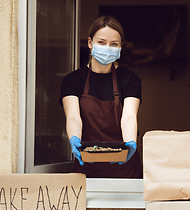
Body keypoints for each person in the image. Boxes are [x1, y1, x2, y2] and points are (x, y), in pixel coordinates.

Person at [60, 15, 142, 178]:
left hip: (124, 166)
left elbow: (129, 117)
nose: (107, 48)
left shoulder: (130, 79)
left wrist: (130, 144)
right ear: (90, 43)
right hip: (87, 165)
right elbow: (74, 117)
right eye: (102, 42)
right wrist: (74, 139)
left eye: (114, 44)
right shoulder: (72, 80)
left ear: (121, 47)